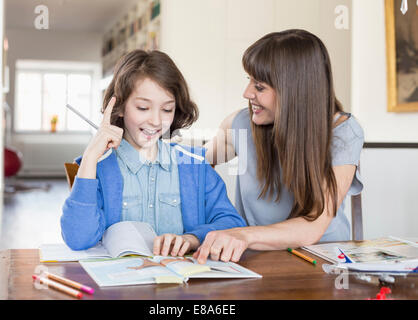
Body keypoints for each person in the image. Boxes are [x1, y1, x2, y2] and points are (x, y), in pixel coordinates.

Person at [194, 29, 364, 264]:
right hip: (253, 259)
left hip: (322, 261)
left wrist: (242, 235)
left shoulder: (344, 133)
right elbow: (194, 166)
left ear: (294, 92)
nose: (247, 93)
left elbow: (314, 225)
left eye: (259, 87)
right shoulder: (240, 124)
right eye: (249, 81)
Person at [61, 50, 246, 257]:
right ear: (120, 107)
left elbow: (232, 224)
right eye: (143, 108)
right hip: (121, 285)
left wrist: (192, 239)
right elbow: (78, 238)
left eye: (167, 110)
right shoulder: (100, 168)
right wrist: (89, 159)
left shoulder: (195, 165)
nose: (156, 121)